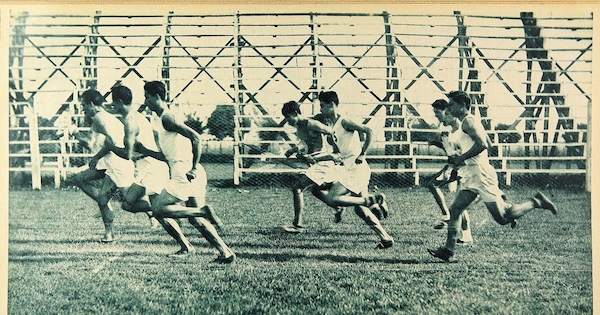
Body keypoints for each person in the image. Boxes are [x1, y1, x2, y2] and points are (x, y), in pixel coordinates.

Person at [428, 91, 558, 262]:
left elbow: (483, 145)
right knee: (455, 209)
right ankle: (448, 249)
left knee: (503, 218)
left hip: (480, 174)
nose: (449, 108)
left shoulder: (468, 122)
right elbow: (488, 142)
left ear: (462, 105)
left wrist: (461, 157)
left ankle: (535, 202)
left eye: (451, 104)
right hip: (471, 173)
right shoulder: (466, 123)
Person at [137, 81, 235, 263]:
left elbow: (196, 138)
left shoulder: (167, 118)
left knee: (158, 209)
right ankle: (225, 252)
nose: (145, 101)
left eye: (147, 97)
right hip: (186, 170)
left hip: (185, 171)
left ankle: (202, 211)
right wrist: (144, 150)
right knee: (194, 220)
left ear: (157, 97)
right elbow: (166, 155)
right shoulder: (161, 119)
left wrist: (194, 167)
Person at [317, 91, 394, 249]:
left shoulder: (344, 121)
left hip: (356, 168)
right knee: (360, 210)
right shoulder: (334, 127)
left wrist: (363, 153)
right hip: (349, 167)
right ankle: (385, 238)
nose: (321, 110)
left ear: (332, 105)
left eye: (323, 106)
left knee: (332, 198)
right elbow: (340, 152)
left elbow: (369, 131)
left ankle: (372, 199)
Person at [70, 88, 135, 243]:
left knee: (130, 203)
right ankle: (109, 223)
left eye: (84, 105)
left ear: (92, 104)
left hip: (117, 164)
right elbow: (96, 143)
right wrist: (97, 156)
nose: (83, 109)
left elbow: (108, 142)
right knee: (77, 178)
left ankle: (158, 209)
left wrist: (74, 132)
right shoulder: (103, 117)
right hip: (108, 162)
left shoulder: (99, 118)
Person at [280, 101, 344, 234]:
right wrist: (294, 150)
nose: (287, 121)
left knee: (297, 187)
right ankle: (339, 207)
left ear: (295, 113)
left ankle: (298, 224)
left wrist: (335, 152)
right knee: (316, 190)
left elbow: (332, 132)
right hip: (317, 162)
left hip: (323, 162)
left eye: (288, 117)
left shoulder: (311, 123)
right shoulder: (299, 126)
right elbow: (305, 142)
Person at [426, 99, 473, 244]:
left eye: (438, 112)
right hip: (457, 166)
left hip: (467, 168)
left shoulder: (459, 127)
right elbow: (451, 151)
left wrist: (454, 166)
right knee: (436, 186)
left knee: (460, 202)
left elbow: (462, 150)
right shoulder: (446, 129)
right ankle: (464, 234)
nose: (437, 116)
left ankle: (453, 222)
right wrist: (439, 143)